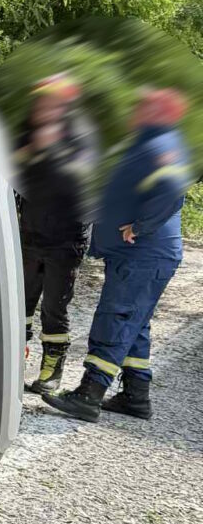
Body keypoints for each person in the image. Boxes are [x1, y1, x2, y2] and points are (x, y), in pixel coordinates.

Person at [43, 88, 193, 421]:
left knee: (116, 317)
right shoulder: (149, 143)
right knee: (134, 322)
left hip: (143, 255)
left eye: (143, 107)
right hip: (137, 256)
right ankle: (135, 395)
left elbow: (172, 188)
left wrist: (140, 226)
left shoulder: (160, 144)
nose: (134, 112)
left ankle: (89, 393)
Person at [14, 74, 97, 394]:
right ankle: (14, 364)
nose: (43, 106)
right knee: (19, 305)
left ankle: (52, 371)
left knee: (54, 308)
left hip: (65, 240)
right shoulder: (29, 130)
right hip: (29, 234)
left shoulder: (82, 134)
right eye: (41, 100)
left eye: (51, 100)